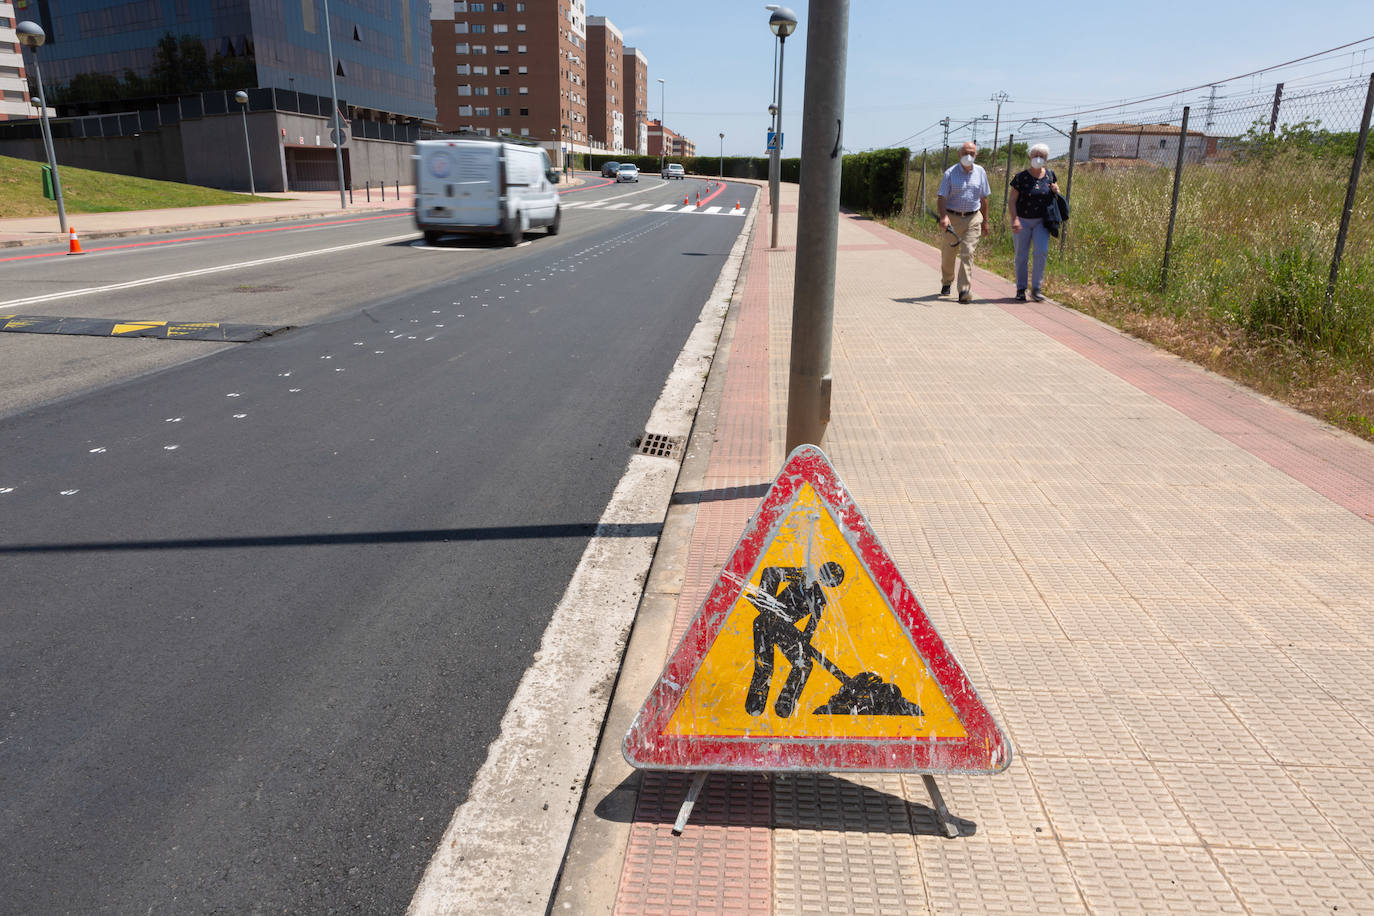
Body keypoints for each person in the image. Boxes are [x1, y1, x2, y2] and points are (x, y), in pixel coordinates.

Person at [743, 562, 845, 718]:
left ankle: (784, 704)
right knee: (765, 667)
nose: (828, 580)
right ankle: (755, 705)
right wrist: (766, 606)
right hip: (764, 624)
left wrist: (801, 641)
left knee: (804, 664)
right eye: (829, 574)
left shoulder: (821, 600)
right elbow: (770, 572)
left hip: (784, 632)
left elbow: (808, 633)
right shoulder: (803, 574)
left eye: (833, 579)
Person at [936, 141, 992, 303]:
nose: (969, 156)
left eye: (972, 153)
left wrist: (985, 221)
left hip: (973, 218)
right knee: (949, 254)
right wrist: (943, 216)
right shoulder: (950, 173)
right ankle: (947, 281)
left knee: (968, 253)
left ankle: (964, 289)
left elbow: (984, 198)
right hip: (952, 218)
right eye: (965, 152)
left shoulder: (981, 172)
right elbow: (942, 197)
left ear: (976, 155)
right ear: (959, 154)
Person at [1007, 143, 1061, 302]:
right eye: (1035, 155)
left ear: (1045, 159)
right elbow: (1012, 200)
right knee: (1021, 256)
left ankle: (1036, 288)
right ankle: (1021, 289)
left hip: (1041, 222)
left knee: (1041, 252)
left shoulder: (1050, 175)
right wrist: (1014, 218)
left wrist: (1056, 191)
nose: (1038, 158)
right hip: (1022, 221)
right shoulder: (1020, 177)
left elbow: (1056, 195)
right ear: (1030, 157)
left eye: (1041, 156)